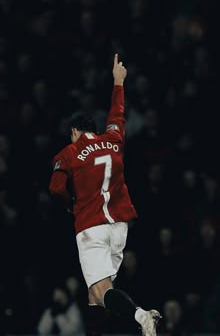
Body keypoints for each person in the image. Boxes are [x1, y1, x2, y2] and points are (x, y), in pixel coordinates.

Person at [49, 53, 161, 335]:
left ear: (74, 132)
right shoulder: (112, 140)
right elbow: (117, 114)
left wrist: (69, 205)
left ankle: (141, 317)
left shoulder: (70, 152)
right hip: (120, 228)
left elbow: (55, 188)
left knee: (100, 294)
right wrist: (118, 82)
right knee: (99, 297)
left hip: (91, 226)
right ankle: (131, 318)